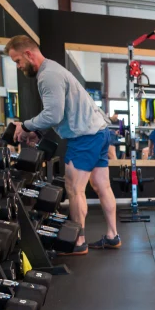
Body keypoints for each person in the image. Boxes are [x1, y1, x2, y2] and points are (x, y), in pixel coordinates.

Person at [6, 35, 120, 254]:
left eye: (18, 61)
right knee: (102, 186)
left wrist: (26, 126)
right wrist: (37, 131)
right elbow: (62, 113)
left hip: (85, 138)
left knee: (75, 189)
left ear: (28, 54)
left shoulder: (47, 75)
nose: (18, 67)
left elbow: (53, 114)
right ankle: (112, 235)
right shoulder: (54, 69)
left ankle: (78, 242)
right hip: (100, 132)